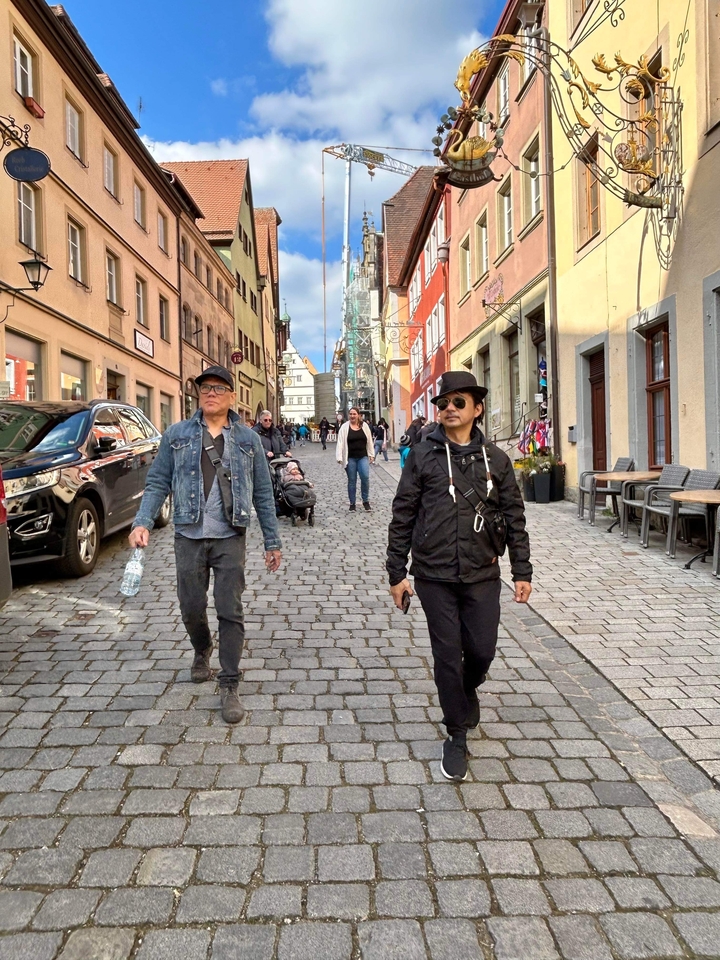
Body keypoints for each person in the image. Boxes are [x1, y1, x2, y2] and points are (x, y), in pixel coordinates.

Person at [386, 371, 532, 782]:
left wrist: (522, 570)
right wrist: (396, 573)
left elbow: (514, 517)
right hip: (434, 575)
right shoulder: (422, 455)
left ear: (477, 408)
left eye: (458, 402)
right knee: (447, 656)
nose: (449, 408)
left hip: (483, 573)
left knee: (482, 651)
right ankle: (456, 733)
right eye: (443, 403)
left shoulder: (496, 460)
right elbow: (403, 513)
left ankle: (467, 690)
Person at [129, 365, 283, 724]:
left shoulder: (247, 439)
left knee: (230, 609)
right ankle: (202, 648)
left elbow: (263, 493)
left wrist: (272, 542)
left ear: (232, 396)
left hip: (230, 536)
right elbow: (157, 481)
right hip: (189, 534)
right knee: (191, 606)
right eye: (205, 388)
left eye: (218, 388)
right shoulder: (177, 434)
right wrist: (142, 521)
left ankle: (229, 682)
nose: (210, 393)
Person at [336, 406, 375, 511]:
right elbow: (340, 443)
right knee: (352, 480)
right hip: (350, 458)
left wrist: (371, 454)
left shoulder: (364, 426)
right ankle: (352, 503)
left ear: (358, 415)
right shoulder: (344, 427)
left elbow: (369, 441)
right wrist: (339, 457)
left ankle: (365, 501)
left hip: (363, 457)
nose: (352, 416)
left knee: (365, 477)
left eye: (354, 414)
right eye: (351, 414)